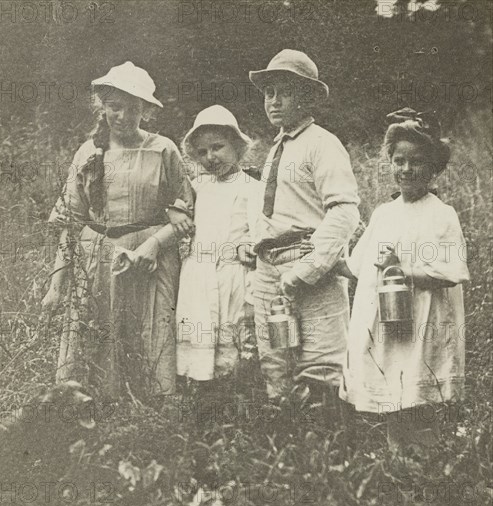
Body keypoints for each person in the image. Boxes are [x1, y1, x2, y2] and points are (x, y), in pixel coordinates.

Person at [42, 61, 194, 401]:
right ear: (103, 107)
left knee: (148, 333)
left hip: (148, 262)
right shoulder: (88, 153)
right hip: (97, 259)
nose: (123, 117)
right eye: (115, 108)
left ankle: (151, 412)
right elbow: (71, 221)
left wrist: (155, 245)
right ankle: (95, 407)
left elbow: (186, 210)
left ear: (146, 112)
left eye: (133, 109)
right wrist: (56, 286)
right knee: (95, 333)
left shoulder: (163, 150)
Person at [336, 108, 470, 452]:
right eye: (399, 161)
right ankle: (399, 465)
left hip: (424, 322)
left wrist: (404, 269)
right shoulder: (384, 213)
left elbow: (452, 272)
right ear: (390, 163)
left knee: (418, 398)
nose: (406, 170)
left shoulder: (442, 214)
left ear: (434, 167)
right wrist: (321, 258)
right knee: (394, 399)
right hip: (388, 323)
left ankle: (430, 466)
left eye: (417, 162)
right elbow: (358, 266)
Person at [248, 49, 360, 402]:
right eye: (269, 93)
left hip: (310, 264)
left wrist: (309, 268)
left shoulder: (323, 145)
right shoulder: (275, 149)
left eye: (285, 92)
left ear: (308, 97)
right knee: (276, 363)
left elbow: (344, 211)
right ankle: (286, 450)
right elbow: (272, 211)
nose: (275, 101)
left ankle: (331, 449)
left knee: (322, 365)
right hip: (269, 269)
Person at [176, 105, 262, 387]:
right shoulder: (198, 186)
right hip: (198, 275)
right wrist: (174, 213)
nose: (211, 157)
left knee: (231, 337)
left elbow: (259, 229)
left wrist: (248, 244)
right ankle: (200, 391)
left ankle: (233, 395)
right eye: (202, 152)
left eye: (217, 147)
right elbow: (177, 210)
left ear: (236, 146)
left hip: (231, 274)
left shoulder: (251, 187)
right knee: (200, 336)